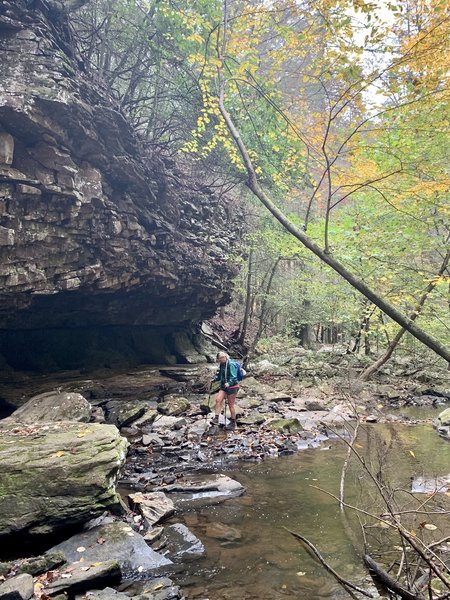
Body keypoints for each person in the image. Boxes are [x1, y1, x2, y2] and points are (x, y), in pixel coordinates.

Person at [211, 351, 239, 429]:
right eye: (221, 358)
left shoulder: (231, 364)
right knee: (218, 400)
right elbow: (220, 376)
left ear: (226, 356)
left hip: (233, 387)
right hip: (224, 386)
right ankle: (216, 418)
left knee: (231, 405)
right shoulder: (221, 364)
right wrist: (214, 379)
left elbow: (234, 377)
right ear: (218, 359)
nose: (223, 358)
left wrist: (229, 383)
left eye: (224, 357)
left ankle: (233, 422)